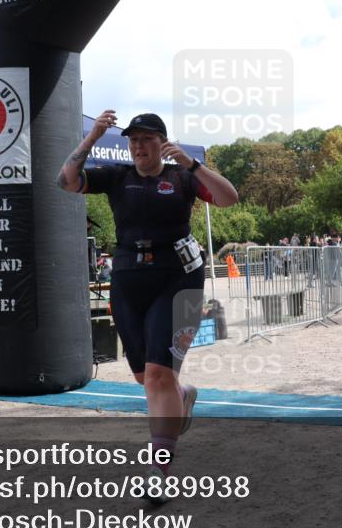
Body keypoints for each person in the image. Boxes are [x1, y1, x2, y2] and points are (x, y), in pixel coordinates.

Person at [57, 110, 238, 499]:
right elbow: (66, 181)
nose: (138, 147)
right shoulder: (116, 176)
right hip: (128, 280)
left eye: (146, 139)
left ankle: (160, 472)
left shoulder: (183, 176)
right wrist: (91, 138)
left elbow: (228, 197)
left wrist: (192, 163)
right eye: (133, 140)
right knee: (146, 377)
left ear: (163, 142)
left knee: (157, 375)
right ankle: (183, 393)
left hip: (179, 279)